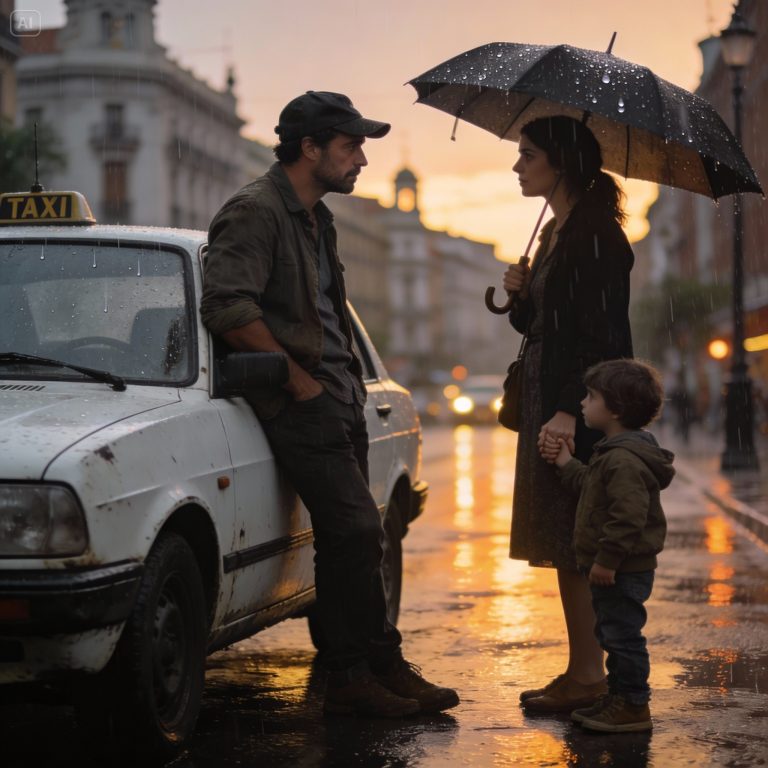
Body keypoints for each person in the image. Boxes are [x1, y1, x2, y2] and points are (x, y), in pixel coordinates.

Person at [200, 91, 458, 718]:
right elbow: (227, 307)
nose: (362, 160)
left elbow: (325, 314)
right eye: (350, 146)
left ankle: (378, 664)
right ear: (309, 148)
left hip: (339, 397)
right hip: (299, 400)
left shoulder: (319, 217)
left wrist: (340, 385)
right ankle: (354, 674)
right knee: (355, 528)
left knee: (354, 537)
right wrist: (296, 380)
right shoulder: (254, 211)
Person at [502, 115, 634, 714]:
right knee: (564, 541)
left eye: (528, 156)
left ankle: (594, 675)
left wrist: (564, 411)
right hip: (552, 404)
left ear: (560, 162)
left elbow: (595, 335)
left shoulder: (595, 234)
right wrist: (521, 296)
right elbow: (543, 330)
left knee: (580, 542)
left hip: (573, 409)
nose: (518, 166)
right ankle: (582, 668)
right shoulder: (560, 233)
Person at [543, 359, 675, 732]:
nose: (582, 403)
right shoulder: (613, 450)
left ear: (614, 409)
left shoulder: (622, 459)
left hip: (622, 567)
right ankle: (619, 697)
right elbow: (590, 485)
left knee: (622, 638)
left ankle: (633, 706)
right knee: (612, 634)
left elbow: (628, 518)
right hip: (617, 566)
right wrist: (567, 463)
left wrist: (607, 560)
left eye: (591, 397)